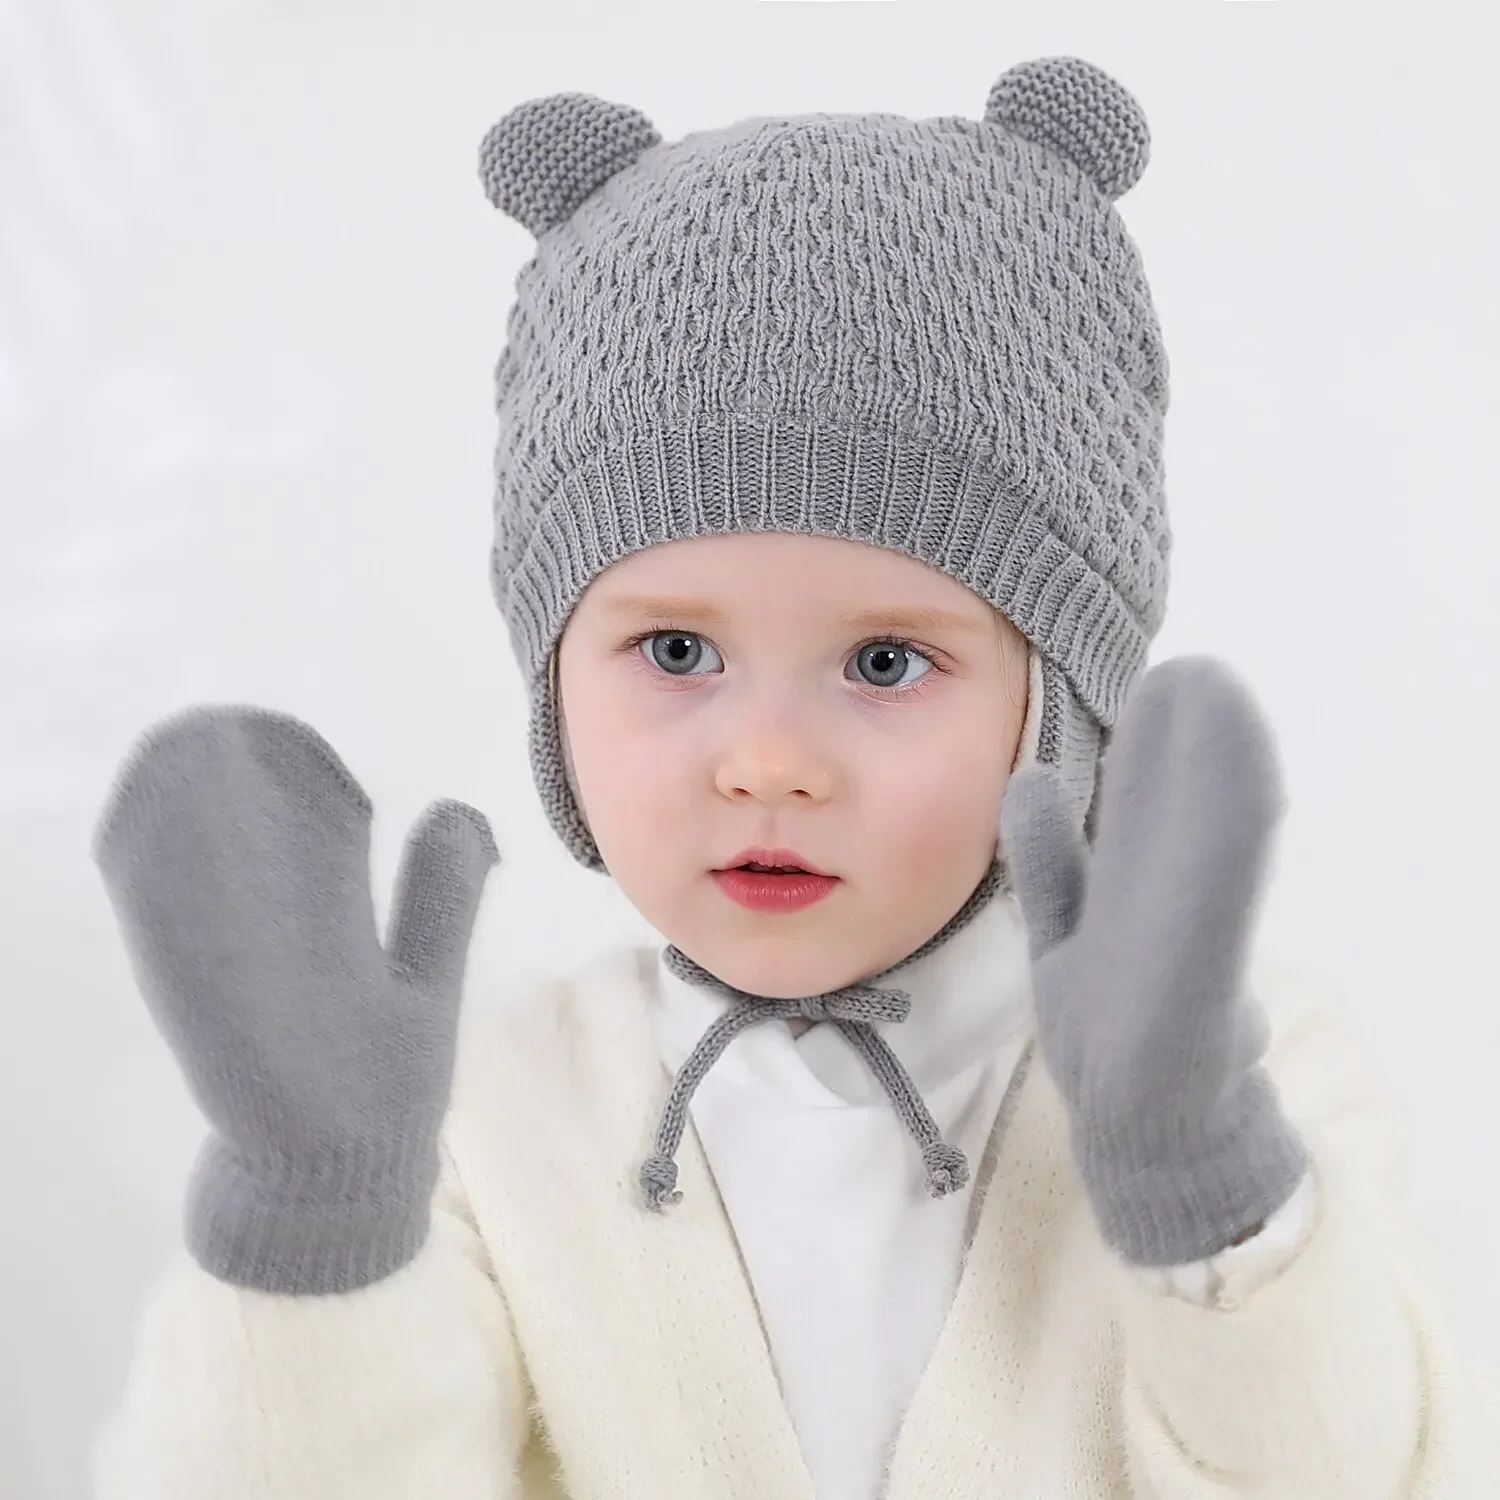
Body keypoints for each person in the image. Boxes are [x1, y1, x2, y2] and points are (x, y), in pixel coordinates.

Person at [88, 55, 1497, 1500]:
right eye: (677, 648)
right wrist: (320, 1232)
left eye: (887, 664)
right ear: (553, 677)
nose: (767, 762)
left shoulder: (1256, 1075)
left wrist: (1206, 1194)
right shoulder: (479, 1124)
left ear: (1062, 710)